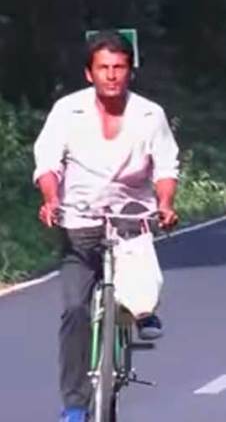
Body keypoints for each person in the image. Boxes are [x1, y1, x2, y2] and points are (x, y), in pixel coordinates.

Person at [32, 30, 180, 422]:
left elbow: (165, 166)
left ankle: (141, 314)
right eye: (104, 68)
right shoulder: (67, 111)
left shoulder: (150, 115)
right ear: (89, 73)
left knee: (144, 291)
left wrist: (165, 204)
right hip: (80, 222)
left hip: (131, 221)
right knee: (74, 312)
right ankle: (76, 405)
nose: (111, 76)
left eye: (119, 68)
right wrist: (51, 199)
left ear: (130, 72)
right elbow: (48, 161)